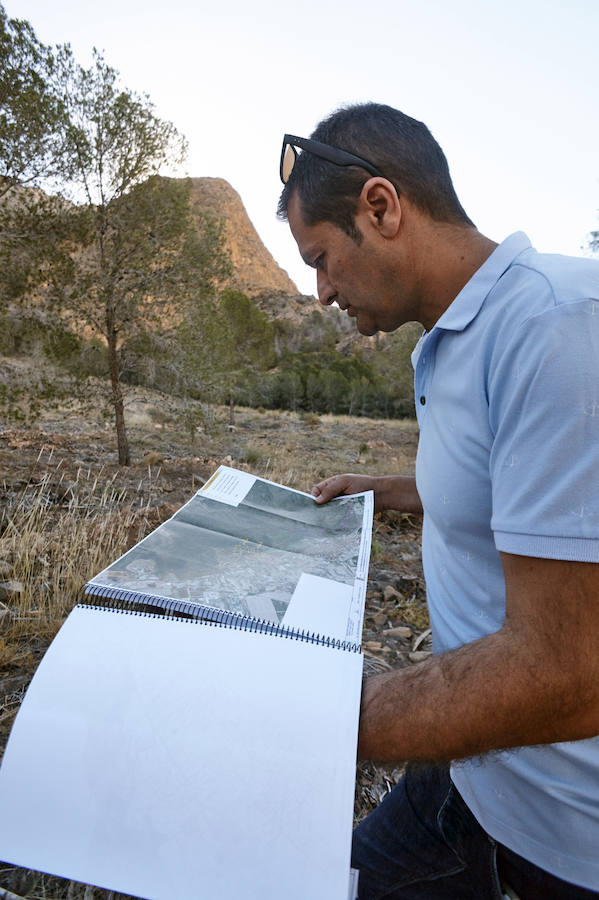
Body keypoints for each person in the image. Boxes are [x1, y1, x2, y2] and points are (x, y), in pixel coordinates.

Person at [277, 104, 599, 899]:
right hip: (468, 773)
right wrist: (389, 490)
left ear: (380, 208)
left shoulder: (555, 331)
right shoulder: (451, 340)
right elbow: (515, 485)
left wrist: (312, 718)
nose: (318, 293)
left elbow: (569, 670)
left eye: (321, 258)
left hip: (557, 840)